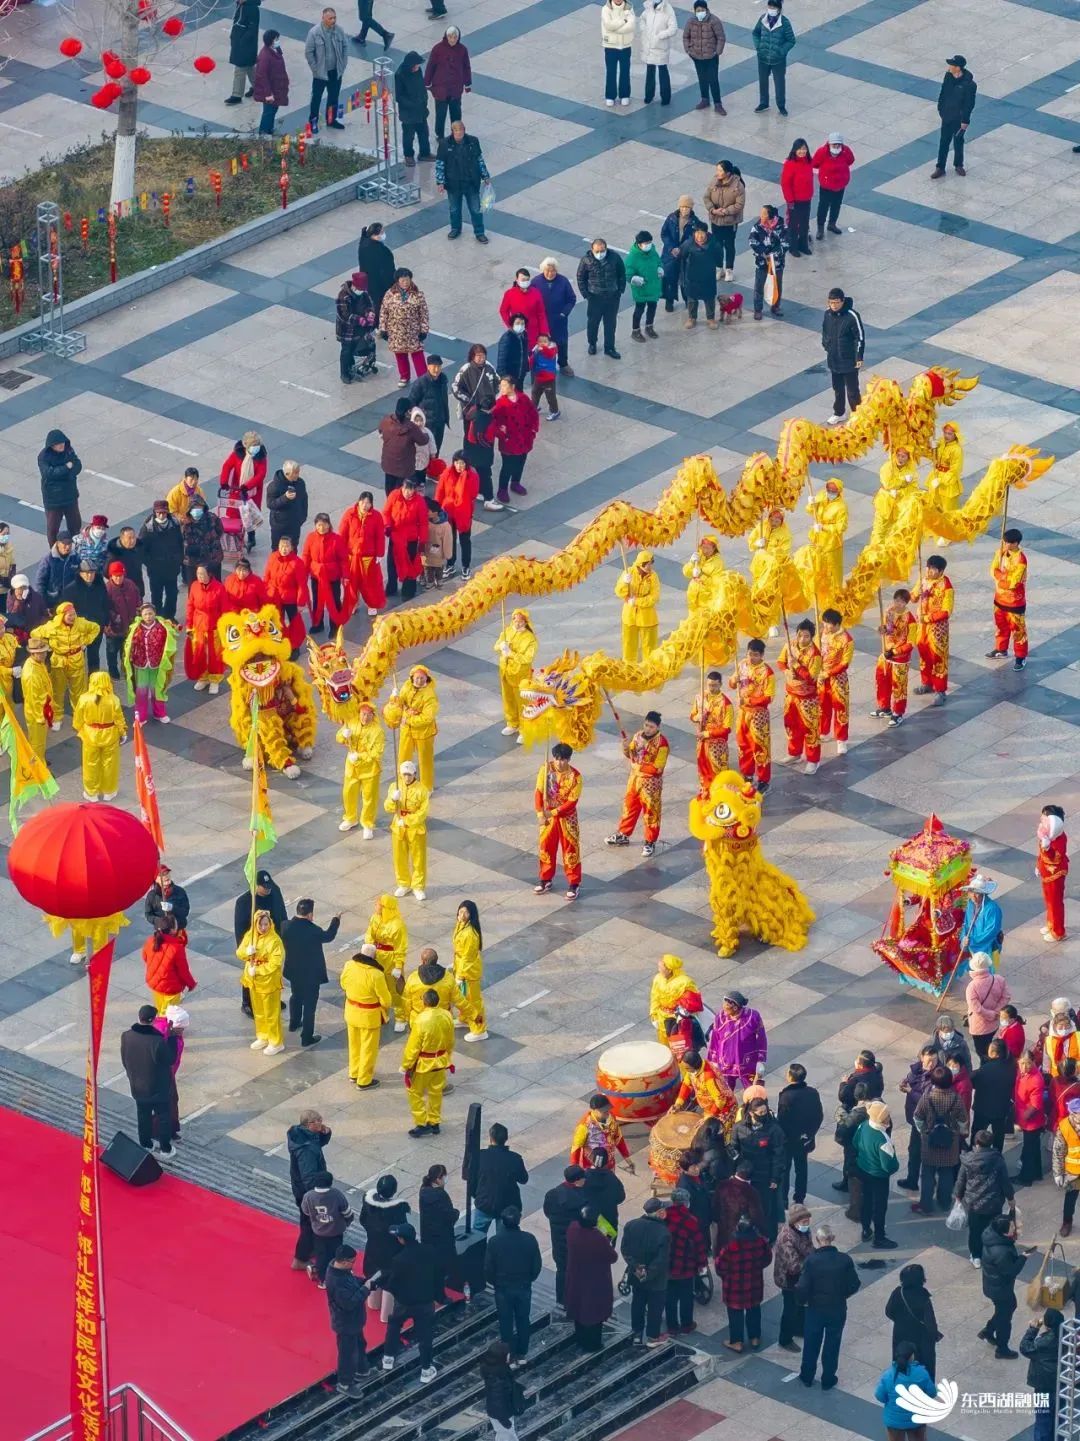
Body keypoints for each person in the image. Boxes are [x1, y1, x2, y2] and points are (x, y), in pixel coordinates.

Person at [796, 1222, 860, 1389]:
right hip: (837, 1308)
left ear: (818, 1240)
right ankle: (828, 1378)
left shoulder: (812, 1261)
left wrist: (802, 1301)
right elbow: (854, 1284)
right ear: (833, 1238)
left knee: (811, 1344)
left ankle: (807, 1376)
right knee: (832, 1344)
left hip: (815, 1309)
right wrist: (843, 1295)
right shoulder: (844, 1260)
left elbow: (802, 1287)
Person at [380, 1223, 440, 1384]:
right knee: (425, 1335)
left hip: (404, 1302)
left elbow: (393, 1283)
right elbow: (437, 1273)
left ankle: (388, 1357)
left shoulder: (399, 1259)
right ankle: (426, 1369)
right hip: (425, 1302)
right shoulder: (429, 1251)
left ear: (401, 1239)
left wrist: (398, 1295)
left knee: (394, 1326)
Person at [607, 710, 669, 857]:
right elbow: (631, 754)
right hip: (634, 780)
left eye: (651, 727)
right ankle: (623, 834)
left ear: (658, 727)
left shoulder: (662, 743)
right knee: (629, 807)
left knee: (651, 812)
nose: (648, 729)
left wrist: (639, 767)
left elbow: (658, 768)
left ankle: (650, 841)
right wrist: (625, 747)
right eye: (646, 725)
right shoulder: (638, 736)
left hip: (650, 784)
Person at [485, 1207, 542, 1362]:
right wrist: (529, 1279)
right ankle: (522, 1352)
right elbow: (536, 1265)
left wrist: (495, 1282)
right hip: (523, 1286)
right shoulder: (529, 1239)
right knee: (523, 1319)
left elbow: (488, 1268)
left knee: (505, 1320)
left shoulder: (494, 1242)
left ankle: (508, 1353)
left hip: (503, 1288)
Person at [120, 1005, 176, 1161]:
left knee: (143, 1116)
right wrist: (172, 1037)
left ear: (139, 1017)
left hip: (137, 1086)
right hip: (158, 1089)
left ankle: (145, 1144)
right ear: (153, 1020)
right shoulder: (157, 1041)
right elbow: (170, 1059)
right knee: (163, 1117)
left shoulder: (126, 1036)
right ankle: (165, 1149)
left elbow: (125, 1060)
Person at [283, 899, 340, 1048]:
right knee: (309, 1005)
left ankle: (294, 1023)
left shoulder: (285, 926)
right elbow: (329, 936)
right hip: (311, 975)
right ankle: (307, 1037)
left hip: (294, 971)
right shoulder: (314, 931)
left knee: (296, 996)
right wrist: (336, 920)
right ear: (309, 914)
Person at [912, 1065, 968, 1214]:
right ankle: (944, 1202)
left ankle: (926, 1206)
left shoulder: (927, 1097)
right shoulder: (956, 1098)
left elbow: (917, 1117)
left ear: (933, 1081)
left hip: (930, 1141)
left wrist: (923, 1131)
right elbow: (963, 1121)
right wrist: (961, 1133)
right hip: (950, 1142)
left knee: (927, 1175)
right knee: (947, 1173)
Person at [731, 1091, 785, 1242]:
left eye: (765, 1111)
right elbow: (733, 1148)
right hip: (745, 1175)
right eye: (760, 1112)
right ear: (751, 1112)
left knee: (766, 1208)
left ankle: (768, 1236)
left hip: (764, 1175)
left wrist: (775, 1177)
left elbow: (778, 1155)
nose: (763, 1114)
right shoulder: (739, 1127)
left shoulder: (773, 1129)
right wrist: (737, 1166)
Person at [32, 603, 98, 724]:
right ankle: (57, 717)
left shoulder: (81, 623)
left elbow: (96, 628)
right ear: (62, 615)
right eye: (69, 615)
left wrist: (85, 641)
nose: (72, 617)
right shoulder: (52, 626)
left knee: (79, 691)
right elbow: (34, 633)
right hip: (59, 662)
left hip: (76, 660)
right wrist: (46, 645)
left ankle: (79, 716)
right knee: (57, 691)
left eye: (74, 614)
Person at [956, 1128, 1014, 1265]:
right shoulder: (997, 1159)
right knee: (993, 1230)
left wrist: (958, 1196)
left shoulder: (968, 1159)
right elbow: (1004, 1181)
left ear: (976, 1143)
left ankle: (976, 1256)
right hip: (994, 1202)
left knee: (975, 1232)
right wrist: (1010, 1198)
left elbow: (961, 1180)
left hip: (973, 1204)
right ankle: (991, 1253)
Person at [402, 988, 455, 1137]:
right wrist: (447, 1056)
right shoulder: (447, 1015)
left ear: (424, 1002)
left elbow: (413, 1046)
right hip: (441, 1060)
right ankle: (434, 1121)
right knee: (436, 1092)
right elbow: (450, 1040)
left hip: (424, 1064)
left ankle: (421, 1123)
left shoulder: (420, 1020)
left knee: (414, 1092)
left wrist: (406, 1065)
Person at [535, 741, 583, 900]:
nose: (559, 762)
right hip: (548, 816)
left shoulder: (576, 777)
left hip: (567, 818)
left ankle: (574, 883)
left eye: (563, 759)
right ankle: (545, 878)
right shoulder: (545, 769)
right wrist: (540, 814)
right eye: (556, 758)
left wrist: (552, 813)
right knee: (546, 847)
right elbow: (539, 792)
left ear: (568, 759)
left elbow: (571, 803)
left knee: (570, 849)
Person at [564, 1210, 618, 1353]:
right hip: (595, 1279)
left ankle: (580, 1340)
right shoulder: (597, 1238)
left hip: (576, 1276)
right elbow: (612, 1257)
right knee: (594, 1311)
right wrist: (606, 1238)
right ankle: (593, 1344)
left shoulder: (572, 1228)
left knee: (578, 1307)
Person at [979, 1213, 1029, 1358]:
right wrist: (1023, 1257)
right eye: (1012, 1227)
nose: (1015, 1228)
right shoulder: (1002, 1251)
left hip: (992, 1285)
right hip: (1001, 1289)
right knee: (1005, 1319)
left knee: (1006, 1309)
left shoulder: (991, 1236)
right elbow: (1011, 1271)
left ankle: (988, 1330)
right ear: (1004, 1232)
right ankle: (1002, 1349)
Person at [621, 1197, 670, 1346]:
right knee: (655, 1307)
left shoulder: (631, 1225)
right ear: (660, 1212)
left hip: (637, 1275)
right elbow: (661, 1259)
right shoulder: (664, 1232)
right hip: (656, 1279)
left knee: (638, 1303)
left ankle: (636, 1334)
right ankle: (653, 1337)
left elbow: (625, 1250)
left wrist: (638, 1268)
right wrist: (648, 1273)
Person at [340, 945, 391, 1089]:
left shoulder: (349, 965)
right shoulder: (377, 975)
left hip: (351, 1011)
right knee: (368, 1049)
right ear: (374, 956)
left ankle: (354, 1072)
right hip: (369, 1017)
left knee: (354, 1046)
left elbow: (343, 984)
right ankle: (364, 1080)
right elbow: (386, 1001)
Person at [851, 1099, 899, 1249]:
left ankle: (866, 1230)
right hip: (879, 1177)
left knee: (866, 1201)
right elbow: (888, 1166)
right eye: (887, 1116)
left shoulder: (864, 1125)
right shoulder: (883, 1140)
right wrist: (895, 1164)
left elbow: (855, 1143)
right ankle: (879, 1237)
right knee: (879, 1207)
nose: (889, 1118)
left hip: (863, 1170)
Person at [72, 670, 125, 802]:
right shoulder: (114, 699)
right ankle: (109, 791)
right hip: (110, 734)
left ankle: (91, 793)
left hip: (90, 735)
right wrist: (122, 733)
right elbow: (119, 719)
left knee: (90, 764)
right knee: (109, 764)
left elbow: (77, 720)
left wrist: (81, 729)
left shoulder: (84, 699)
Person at [237, 909, 286, 1055]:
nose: (263, 927)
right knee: (258, 1012)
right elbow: (239, 952)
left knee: (271, 1014)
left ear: (270, 924)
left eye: (266, 924)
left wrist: (258, 970)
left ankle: (276, 1041)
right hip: (253, 982)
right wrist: (247, 952)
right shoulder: (250, 936)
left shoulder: (275, 941)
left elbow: (275, 963)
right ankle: (263, 1036)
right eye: (260, 924)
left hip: (269, 983)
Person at [729, 639, 774, 793]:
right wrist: (733, 680)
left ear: (762, 655)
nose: (752, 657)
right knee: (744, 745)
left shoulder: (767, 672)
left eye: (755, 655)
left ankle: (763, 780)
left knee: (760, 747)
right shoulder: (742, 664)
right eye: (750, 654)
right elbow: (732, 684)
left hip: (758, 715)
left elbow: (768, 697)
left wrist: (748, 700)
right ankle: (747, 774)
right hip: (743, 713)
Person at [778, 619, 822, 775]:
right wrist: (786, 670)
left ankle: (813, 760)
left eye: (806, 636)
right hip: (791, 694)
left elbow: (811, 678)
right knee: (791, 725)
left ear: (812, 637)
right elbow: (781, 661)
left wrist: (796, 665)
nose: (802, 639)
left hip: (807, 698)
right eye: (800, 635)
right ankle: (794, 753)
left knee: (810, 728)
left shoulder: (815, 655)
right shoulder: (790, 644)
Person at [325, 1244, 370, 1396]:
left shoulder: (340, 1271)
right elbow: (349, 1304)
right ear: (344, 1262)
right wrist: (365, 1289)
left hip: (354, 1321)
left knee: (360, 1344)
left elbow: (351, 1280)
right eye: (352, 1261)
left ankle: (362, 1370)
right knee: (347, 1354)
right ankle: (345, 1383)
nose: (354, 1264)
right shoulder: (336, 1281)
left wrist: (363, 1282)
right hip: (345, 1323)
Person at [777, 1063, 823, 1209]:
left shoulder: (786, 1096)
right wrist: (809, 1134)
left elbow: (782, 1121)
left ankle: (783, 1200)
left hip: (788, 1141)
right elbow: (819, 1116)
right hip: (804, 1140)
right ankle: (799, 1198)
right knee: (802, 1168)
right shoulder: (813, 1092)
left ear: (790, 1077)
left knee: (785, 1170)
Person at [435, 120, 488, 243]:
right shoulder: (444, 144)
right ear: (452, 131)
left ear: (464, 130)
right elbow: (440, 164)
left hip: (471, 182)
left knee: (475, 209)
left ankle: (479, 232)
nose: (459, 133)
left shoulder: (473, 141)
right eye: (456, 131)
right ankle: (455, 229)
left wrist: (485, 175)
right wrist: (440, 182)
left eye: (461, 130)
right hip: (453, 183)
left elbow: (479, 159)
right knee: (454, 209)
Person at [884, 1263, 940, 1381]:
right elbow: (930, 1323)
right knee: (925, 1367)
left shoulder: (898, 1293)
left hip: (900, 1335)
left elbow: (888, 1312)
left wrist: (900, 1321)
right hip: (921, 1339)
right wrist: (934, 1335)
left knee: (901, 1362)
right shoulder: (923, 1297)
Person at [664, 1187, 708, 1337]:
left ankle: (672, 1327)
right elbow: (699, 1244)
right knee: (686, 1297)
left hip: (668, 1265)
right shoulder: (691, 1221)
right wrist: (702, 1264)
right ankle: (686, 1325)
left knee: (670, 1298)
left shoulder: (665, 1217)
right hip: (686, 1266)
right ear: (686, 1202)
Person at [471, 1122, 529, 1234]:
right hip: (507, 1205)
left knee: (477, 1235)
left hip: (484, 1202)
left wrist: (477, 1195)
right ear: (506, 1139)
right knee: (504, 1236)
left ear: (491, 1138)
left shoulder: (480, 1156)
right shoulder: (515, 1158)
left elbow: (472, 1179)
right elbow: (524, 1179)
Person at [490, 376, 539, 505]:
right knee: (507, 466)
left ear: (512, 387)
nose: (501, 388)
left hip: (524, 438)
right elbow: (493, 422)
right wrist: (501, 433)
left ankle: (515, 482)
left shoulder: (523, 399)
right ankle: (502, 489)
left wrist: (533, 429)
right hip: (509, 441)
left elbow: (533, 413)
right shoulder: (500, 403)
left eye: (504, 385)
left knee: (521, 461)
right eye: (501, 385)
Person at [544, 1165, 587, 1309]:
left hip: (558, 1241)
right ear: (577, 1180)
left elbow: (547, 1212)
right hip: (577, 1242)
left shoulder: (552, 1194)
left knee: (561, 1270)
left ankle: (561, 1301)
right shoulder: (582, 1199)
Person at [379, 268, 430, 387]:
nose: (405, 282)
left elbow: (424, 313)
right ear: (397, 281)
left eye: (407, 280)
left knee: (417, 354)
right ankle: (404, 376)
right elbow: (383, 312)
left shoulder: (418, 294)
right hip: (396, 331)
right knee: (400, 354)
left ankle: (423, 379)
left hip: (413, 331)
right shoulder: (390, 294)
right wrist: (383, 329)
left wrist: (424, 330)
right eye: (402, 280)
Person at [874, 586, 917, 726]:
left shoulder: (910, 620)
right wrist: (882, 629)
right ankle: (884, 707)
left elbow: (911, 643)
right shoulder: (889, 612)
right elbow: (887, 628)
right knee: (882, 679)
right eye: (896, 600)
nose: (898, 603)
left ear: (906, 603)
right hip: (886, 652)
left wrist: (895, 652)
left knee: (899, 686)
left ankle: (898, 713)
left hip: (900, 658)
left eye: (901, 601)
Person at [708, 991, 767, 1093]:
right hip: (725, 1063)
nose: (723, 1007)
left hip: (747, 1063)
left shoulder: (752, 1017)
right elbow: (715, 1038)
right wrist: (713, 1060)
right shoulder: (720, 1018)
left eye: (726, 1005)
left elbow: (761, 1037)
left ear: (735, 1007)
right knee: (726, 1092)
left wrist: (760, 1060)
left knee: (753, 1091)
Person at [577, 238, 626, 359]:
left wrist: (620, 290)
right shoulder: (586, 260)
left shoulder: (614, 257)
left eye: (602, 251)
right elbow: (581, 278)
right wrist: (586, 295)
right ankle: (592, 343)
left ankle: (609, 348)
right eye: (597, 251)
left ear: (606, 248)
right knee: (593, 323)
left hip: (612, 296)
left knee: (610, 324)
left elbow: (622, 274)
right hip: (595, 297)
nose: (600, 253)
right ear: (592, 249)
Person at [301, 1172, 354, 1285]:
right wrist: (347, 1222)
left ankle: (323, 1280)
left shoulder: (308, 1196)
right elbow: (347, 1212)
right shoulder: (337, 1194)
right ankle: (337, 1275)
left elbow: (306, 1211)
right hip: (336, 1232)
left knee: (321, 1255)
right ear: (330, 1182)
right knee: (336, 1254)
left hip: (318, 1233)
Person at [875, 1342, 935, 1440]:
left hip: (894, 1421)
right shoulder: (921, 1373)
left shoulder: (888, 1376)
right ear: (912, 1356)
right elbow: (932, 1393)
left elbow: (879, 1396)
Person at [339, 493, 386, 616]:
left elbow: (380, 537)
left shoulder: (376, 516)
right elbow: (342, 534)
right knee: (351, 582)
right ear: (358, 501)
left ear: (371, 504)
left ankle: (372, 604)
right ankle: (352, 603)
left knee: (370, 583)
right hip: (352, 556)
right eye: (363, 502)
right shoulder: (349, 514)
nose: (365, 505)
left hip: (368, 557)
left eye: (368, 503)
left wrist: (380, 553)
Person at [1020, 1308, 1064, 1441]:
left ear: (1046, 1324)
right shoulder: (1066, 1336)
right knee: (1059, 1416)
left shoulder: (1044, 1343)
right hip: (1061, 1382)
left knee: (1043, 1419)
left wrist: (1033, 1329)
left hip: (1044, 1385)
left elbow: (1025, 1347)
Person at [821, 289, 864, 424]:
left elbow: (859, 337)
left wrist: (859, 356)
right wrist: (826, 346)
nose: (833, 305)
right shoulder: (827, 314)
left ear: (842, 301)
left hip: (849, 359)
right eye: (831, 302)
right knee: (837, 388)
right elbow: (825, 331)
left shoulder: (852, 316)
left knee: (852, 390)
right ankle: (839, 413)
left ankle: (858, 415)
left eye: (836, 302)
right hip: (834, 358)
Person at [773, 1203, 812, 1352]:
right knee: (790, 1309)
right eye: (804, 1222)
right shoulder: (786, 1238)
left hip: (800, 1277)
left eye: (807, 1221)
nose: (807, 1224)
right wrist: (813, 1263)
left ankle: (799, 1329)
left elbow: (809, 1248)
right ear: (795, 1222)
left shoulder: (803, 1231)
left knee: (800, 1304)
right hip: (789, 1279)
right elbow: (794, 1265)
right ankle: (785, 1339)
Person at [915, 554, 953, 702]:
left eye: (933, 569)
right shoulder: (923, 579)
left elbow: (946, 611)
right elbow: (913, 597)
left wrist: (928, 618)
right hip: (922, 628)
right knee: (924, 655)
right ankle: (927, 683)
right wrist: (915, 594)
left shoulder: (946, 586)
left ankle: (940, 690)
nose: (929, 571)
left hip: (937, 628)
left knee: (938, 657)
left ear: (941, 571)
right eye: (928, 568)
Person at [382, 475, 427, 600]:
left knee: (410, 565)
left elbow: (423, 523)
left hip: (410, 539)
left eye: (411, 489)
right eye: (406, 489)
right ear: (402, 487)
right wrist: (387, 525)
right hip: (396, 537)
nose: (408, 492)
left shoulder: (419, 501)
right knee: (392, 564)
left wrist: (422, 541)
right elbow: (386, 513)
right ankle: (392, 586)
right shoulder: (394, 495)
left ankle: (408, 590)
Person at [988, 527, 1028, 670]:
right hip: (999, 598)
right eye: (1005, 542)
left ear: (1016, 543)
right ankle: (1001, 649)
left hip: (1014, 602)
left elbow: (1014, 583)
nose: (1006, 545)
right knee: (1001, 626)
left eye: (1009, 543)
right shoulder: (1000, 553)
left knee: (1018, 631)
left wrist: (1000, 577)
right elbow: (992, 570)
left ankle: (1020, 657)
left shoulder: (1021, 560)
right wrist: (1001, 577)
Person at [301, 514, 348, 634]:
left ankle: (335, 626)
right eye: (319, 525)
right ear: (315, 525)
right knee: (317, 601)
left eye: (324, 524)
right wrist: (304, 574)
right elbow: (306, 556)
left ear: (329, 525)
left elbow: (343, 559)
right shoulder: (311, 537)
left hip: (332, 576)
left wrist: (345, 575)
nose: (321, 528)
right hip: (316, 575)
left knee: (334, 601)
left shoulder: (337, 539)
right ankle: (318, 624)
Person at [183, 565, 226, 692]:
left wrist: (224, 626)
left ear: (209, 574)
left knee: (215, 655)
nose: (199, 576)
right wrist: (189, 625)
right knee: (199, 653)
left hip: (214, 626)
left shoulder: (219, 588)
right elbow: (190, 606)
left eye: (202, 574)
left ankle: (215, 680)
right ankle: (202, 678)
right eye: (198, 573)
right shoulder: (194, 586)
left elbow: (225, 608)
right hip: (198, 625)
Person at [418, 1164, 459, 1300]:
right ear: (438, 1179)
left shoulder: (423, 1191)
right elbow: (449, 1215)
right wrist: (456, 1213)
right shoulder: (441, 1195)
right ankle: (440, 1296)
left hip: (428, 1236)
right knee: (441, 1268)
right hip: (442, 1237)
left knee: (432, 1266)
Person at [494, 608, 537, 739]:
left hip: (520, 676)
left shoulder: (530, 639)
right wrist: (501, 646)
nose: (517, 623)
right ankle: (512, 723)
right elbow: (496, 646)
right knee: (508, 699)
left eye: (520, 621)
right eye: (515, 620)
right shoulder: (507, 631)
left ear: (525, 622)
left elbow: (527, 658)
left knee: (522, 702)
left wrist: (511, 654)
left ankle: (525, 729)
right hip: (505, 672)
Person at [932, 55, 976, 179]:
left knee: (958, 141)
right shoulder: (948, 77)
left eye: (952, 65)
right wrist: (941, 109)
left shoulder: (969, 84)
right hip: (947, 116)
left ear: (958, 68)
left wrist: (965, 120)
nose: (949, 67)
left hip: (959, 118)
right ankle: (940, 167)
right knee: (944, 142)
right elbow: (943, 94)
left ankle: (958, 165)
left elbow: (969, 104)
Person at [529, 260, 577, 375]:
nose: (550, 273)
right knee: (542, 344)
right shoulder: (536, 282)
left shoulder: (563, 281)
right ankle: (541, 366)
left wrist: (564, 313)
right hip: (542, 320)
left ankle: (563, 364)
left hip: (559, 320)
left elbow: (571, 299)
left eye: (553, 271)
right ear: (543, 270)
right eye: (548, 270)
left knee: (562, 342)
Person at [305, 7, 348, 133]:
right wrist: (315, 69)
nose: (333, 20)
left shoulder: (339, 30)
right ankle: (313, 122)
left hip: (335, 71)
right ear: (323, 18)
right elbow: (309, 52)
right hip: (321, 73)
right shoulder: (314, 32)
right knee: (316, 98)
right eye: (330, 18)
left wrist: (343, 65)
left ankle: (331, 120)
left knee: (333, 97)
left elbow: (345, 47)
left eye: (334, 18)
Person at [424, 26, 471, 141]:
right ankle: (439, 135)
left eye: (455, 37)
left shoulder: (462, 50)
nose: (452, 40)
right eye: (450, 37)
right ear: (446, 36)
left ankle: (456, 133)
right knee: (441, 114)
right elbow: (431, 66)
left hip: (455, 89)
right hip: (440, 89)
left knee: (456, 114)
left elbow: (466, 67)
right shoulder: (438, 49)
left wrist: (467, 83)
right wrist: (427, 82)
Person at [690, 668, 733, 794]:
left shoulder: (726, 704)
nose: (711, 688)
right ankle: (706, 791)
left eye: (714, 685)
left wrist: (707, 734)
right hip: (702, 742)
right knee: (703, 768)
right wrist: (697, 717)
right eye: (709, 685)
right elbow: (692, 715)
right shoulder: (700, 698)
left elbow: (726, 729)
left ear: (720, 684)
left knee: (718, 771)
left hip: (717, 744)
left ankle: (720, 794)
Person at [139, 502, 184, 619]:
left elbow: (180, 543)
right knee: (156, 596)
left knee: (172, 595)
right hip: (156, 571)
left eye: (164, 512)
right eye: (159, 513)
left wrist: (178, 560)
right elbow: (141, 550)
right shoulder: (148, 529)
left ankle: (170, 617)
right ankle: (158, 618)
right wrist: (151, 564)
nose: (161, 515)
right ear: (155, 512)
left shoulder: (174, 524)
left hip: (171, 568)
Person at [62, 559, 109, 673]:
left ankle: (94, 679)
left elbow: (106, 605)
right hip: (78, 629)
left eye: (92, 572)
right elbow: (64, 611)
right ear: (80, 573)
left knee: (94, 656)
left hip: (96, 627)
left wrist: (105, 622)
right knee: (78, 657)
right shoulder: (70, 589)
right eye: (86, 573)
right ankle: (79, 679)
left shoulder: (100, 586)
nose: (89, 575)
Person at [141, 917, 195, 1012]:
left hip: (155, 983)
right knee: (169, 1014)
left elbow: (145, 957)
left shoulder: (151, 940)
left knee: (160, 1010)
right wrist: (191, 984)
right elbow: (183, 971)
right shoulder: (177, 948)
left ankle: (158, 1020)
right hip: (171, 988)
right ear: (172, 930)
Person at [615, 550, 660, 664]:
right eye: (648, 564)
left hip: (647, 618)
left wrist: (636, 601)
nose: (650, 567)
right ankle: (629, 667)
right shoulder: (629, 572)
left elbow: (654, 598)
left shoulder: (653, 576)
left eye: (651, 563)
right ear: (641, 564)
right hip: (629, 616)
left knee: (649, 647)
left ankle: (649, 669)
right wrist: (624, 582)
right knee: (628, 645)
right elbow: (619, 592)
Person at [38, 429, 82, 545]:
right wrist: (66, 468)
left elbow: (77, 465)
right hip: (53, 499)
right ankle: (54, 550)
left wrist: (68, 473)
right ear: (51, 445)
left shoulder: (69, 451)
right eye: (58, 443)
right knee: (53, 528)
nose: (61, 445)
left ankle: (75, 547)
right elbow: (49, 474)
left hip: (70, 495)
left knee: (75, 525)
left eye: (62, 442)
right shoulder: (44, 457)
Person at [570, 1094, 634, 1172]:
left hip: (610, 1165)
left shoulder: (611, 1118)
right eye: (604, 1111)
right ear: (594, 1110)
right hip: (592, 1168)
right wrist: (575, 1171)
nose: (607, 1113)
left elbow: (618, 1138)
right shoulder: (584, 1126)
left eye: (608, 1109)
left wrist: (627, 1158)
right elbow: (576, 1149)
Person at [702, 161, 744, 282]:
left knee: (729, 245)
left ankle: (729, 269)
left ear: (728, 173)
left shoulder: (738, 186)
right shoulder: (714, 181)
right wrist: (713, 210)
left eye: (720, 171)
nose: (717, 173)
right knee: (717, 244)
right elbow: (706, 197)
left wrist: (725, 211)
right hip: (716, 219)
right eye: (717, 170)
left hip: (730, 221)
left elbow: (739, 204)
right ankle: (719, 267)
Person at [965, 952, 1010, 1062]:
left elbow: (976, 1008)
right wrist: (996, 1012)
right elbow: (1006, 997)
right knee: (991, 1046)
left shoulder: (972, 987)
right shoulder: (999, 979)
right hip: (994, 1023)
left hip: (979, 1027)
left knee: (982, 1053)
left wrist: (990, 1014)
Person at [660, 196, 703, 311]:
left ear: (691, 208)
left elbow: (696, 239)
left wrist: (683, 249)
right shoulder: (671, 218)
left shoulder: (695, 222)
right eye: (682, 207)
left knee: (686, 279)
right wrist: (672, 248)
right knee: (670, 278)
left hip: (686, 255)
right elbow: (664, 234)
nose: (684, 209)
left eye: (687, 207)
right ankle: (669, 301)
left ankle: (687, 300)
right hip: (671, 255)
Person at [752, 0, 795, 115]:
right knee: (763, 81)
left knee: (779, 83)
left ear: (779, 9)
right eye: (769, 6)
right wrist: (758, 46)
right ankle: (763, 103)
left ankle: (781, 106)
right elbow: (755, 33)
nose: (771, 9)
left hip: (778, 60)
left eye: (773, 7)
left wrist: (781, 51)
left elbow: (791, 40)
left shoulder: (784, 23)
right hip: (763, 57)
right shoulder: (763, 19)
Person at [683, 1, 726, 112]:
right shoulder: (691, 21)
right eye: (698, 10)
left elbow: (721, 37)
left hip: (711, 57)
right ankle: (705, 99)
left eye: (702, 10)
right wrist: (688, 49)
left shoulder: (714, 21)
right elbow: (686, 36)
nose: (700, 12)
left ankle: (718, 104)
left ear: (706, 10)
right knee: (702, 78)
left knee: (713, 80)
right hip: (697, 56)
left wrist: (717, 51)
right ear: (694, 11)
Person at [335, 272, 377, 386]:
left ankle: (352, 367)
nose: (361, 291)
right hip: (347, 331)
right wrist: (359, 319)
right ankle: (344, 373)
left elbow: (370, 305)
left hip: (360, 329)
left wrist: (370, 313)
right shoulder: (343, 296)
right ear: (354, 286)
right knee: (346, 351)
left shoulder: (364, 293)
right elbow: (344, 315)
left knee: (356, 348)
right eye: (360, 289)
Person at [748, 204, 787, 320]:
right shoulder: (757, 226)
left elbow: (786, 243)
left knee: (777, 285)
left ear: (770, 216)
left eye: (763, 213)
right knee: (759, 286)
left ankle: (776, 306)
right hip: (761, 262)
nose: (761, 215)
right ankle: (758, 310)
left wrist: (773, 255)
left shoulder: (781, 227)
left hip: (777, 264)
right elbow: (752, 241)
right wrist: (764, 252)